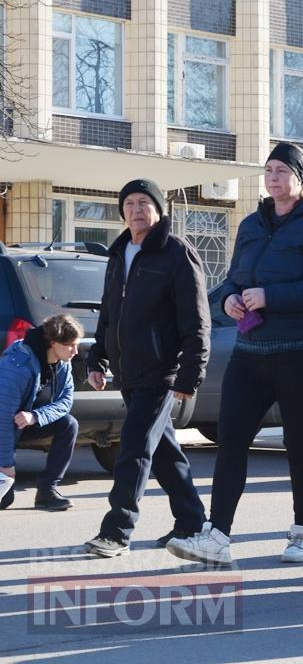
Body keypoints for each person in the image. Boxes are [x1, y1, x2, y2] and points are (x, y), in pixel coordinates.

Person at [168, 143, 303, 566]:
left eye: (282, 170)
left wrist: (271, 296)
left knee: (299, 443)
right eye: (268, 170)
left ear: (300, 179)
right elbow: (234, 278)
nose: (273, 177)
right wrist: (231, 298)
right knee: (231, 440)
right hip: (251, 352)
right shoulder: (251, 224)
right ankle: (217, 536)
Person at [84, 179, 210, 558]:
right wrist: (97, 357)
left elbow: (197, 320)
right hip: (128, 370)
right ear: (122, 211)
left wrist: (191, 374)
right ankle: (191, 523)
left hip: (162, 370)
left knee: (134, 447)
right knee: (165, 453)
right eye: (130, 203)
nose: (137, 210)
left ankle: (117, 532)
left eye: (145, 203)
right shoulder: (119, 251)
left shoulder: (176, 253)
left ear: (158, 210)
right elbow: (109, 312)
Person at [0, 314, 84, 511]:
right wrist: (5, 464)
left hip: (23, 424)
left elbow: (65, 402)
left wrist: (36, 416)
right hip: (5, 427)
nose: (75, 351)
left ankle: (47, 492)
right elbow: (2, 418)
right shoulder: (18, 366)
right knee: (5, 501)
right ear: (53, 342)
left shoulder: (63, 363)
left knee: (68, 424)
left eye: (76, 345)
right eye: (70, 345)